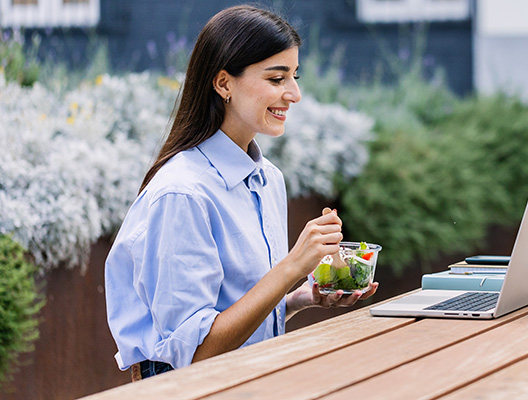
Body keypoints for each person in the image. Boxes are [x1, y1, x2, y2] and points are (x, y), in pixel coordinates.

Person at [104, 5, 378, 381]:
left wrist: (303, 297)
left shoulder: (268, 180)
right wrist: (292, 268)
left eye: (294, 76)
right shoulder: (182, 195)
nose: (294, 93)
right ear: (223, 84)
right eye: (277, 78)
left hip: (252, 380)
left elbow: (237, 311)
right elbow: (197, 354)